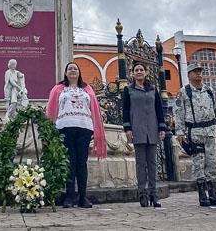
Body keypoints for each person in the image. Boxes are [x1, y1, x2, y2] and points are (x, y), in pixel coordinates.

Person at [46, 62, 107, 208]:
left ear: (79, 73)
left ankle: (83, 197)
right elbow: (51, 109)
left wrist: (96, 129)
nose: (73, 70)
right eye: (69, 69)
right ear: (66, 73)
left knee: (81, 163)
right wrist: (48, 131)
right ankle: (69, 196)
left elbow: (95, 110)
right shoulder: (58, 89)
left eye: (75, 68)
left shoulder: (87, 89)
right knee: (70, 162)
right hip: (65, 128)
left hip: (84, 128)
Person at [175, 63, 216, 207]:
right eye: (195, 72)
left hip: (210, 130)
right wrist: (180, 132)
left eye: (200, 71)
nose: (198, 74)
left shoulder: (209, 91)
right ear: (189, 75)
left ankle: (213, 194)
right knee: (198, 162)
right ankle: (202, 194)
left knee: (212, 162)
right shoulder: (184, 92)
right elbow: (179, 113)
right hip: (195, 131)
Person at [122, 62, 166, 207]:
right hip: (137, 129)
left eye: (141, 70)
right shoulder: (129, 90)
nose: (139, 72)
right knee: (141, 164)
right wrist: (127, 128)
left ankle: (154, 194)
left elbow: (159, 109)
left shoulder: (153, 90)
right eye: (136, 70)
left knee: (152, 163)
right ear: (132, 73)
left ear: (146, 72)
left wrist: (162, 127)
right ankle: (142, 194)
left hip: (152, 129)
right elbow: (125, 110)